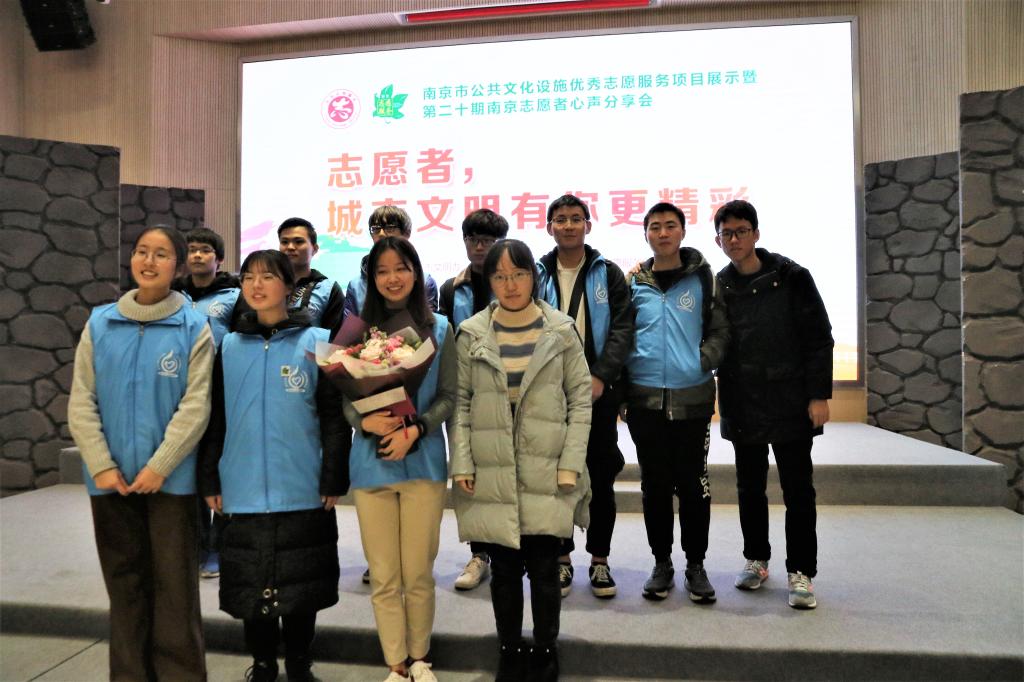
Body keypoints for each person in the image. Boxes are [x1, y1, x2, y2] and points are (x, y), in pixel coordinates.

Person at [68, 225, 213, 681]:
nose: (149, 261)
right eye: (142, 252)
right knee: (124, 587)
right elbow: (81, 399)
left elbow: (196, 405)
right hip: (109, 481)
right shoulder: (101, 323)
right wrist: (101, 465)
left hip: (171, 482)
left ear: (178, 265)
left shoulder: (193, 325)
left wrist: (160, 465)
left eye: (161, 254)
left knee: (175, 590)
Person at [198, 249, 350, 682]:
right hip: (240, 486)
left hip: (301, 484)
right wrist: (210, 476)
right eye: (248, 277)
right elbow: (215, 418)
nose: (256, 285)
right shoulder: (228, 346)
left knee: (302, 585)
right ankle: (262, 663)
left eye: (267, 276)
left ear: (289, 286)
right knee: (250, 583)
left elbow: (334, 418)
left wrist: (333, 475)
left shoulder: (317, 341)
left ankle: (300, 662)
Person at [451, 239, 592, 682]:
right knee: (506, 572)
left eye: (519, 274)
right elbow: (461, 402)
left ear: (534, 276)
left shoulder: (560, 330)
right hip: (493, 467)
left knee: (545, 570)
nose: (510, 285)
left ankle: (546, 647)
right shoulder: (472, 333)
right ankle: (509, 648)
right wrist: (462, 463)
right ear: (489, 281)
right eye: (500, 276)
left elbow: (580, 401)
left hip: (547, 466)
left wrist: (571, 463)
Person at [342, 237, 455, 682]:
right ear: (372, 278)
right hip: (371, 465)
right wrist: (363, 421)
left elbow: (449, 396)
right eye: (382, 270)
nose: (392, 278)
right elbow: (345, 400)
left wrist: (417, 429)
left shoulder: (441, 328)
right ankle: (395, 664)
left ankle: (420, 657)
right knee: (385, 576)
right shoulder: (356, 332)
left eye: (401, 268)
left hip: (423, 463)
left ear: (416, 273)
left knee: (419, 574)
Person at [713, 200, 833, 610]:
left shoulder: (792, 276)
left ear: (756, 234)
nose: (734, 239)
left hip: (790, 398)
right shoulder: (719, 284)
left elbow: (819, 338)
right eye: (727, 233)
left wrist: (818, 395)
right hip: (741, 399)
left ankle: (801, 571)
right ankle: (756, 558)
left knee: (798, 489)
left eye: (741, 231)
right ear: (718, 240)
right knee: (749, 487)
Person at [622, 202, 729, 604]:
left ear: (682, 232)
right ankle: (662, 563)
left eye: (670, 226)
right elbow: (622, 334)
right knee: (654, 485)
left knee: (693, 485)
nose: (663, 233)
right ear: (646, 234)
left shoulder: (703, 277)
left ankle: (695, 565)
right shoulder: (634, 281)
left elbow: (721, 330)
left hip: (692, 399)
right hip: (644, 400)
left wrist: (701, 361)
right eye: (655, 227)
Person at [536, 194, 633, 599]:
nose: (569, 225)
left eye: (576, 218)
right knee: (555, 477)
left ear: (588, 226)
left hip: (598, 392)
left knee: (601, 475)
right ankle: (561, 558)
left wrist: (600, 376)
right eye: (561, 219)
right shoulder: (537, 272)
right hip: (548, 394)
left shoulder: (607, 272)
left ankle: (600, 560)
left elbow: (623, 329)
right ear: (549, 227)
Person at [438, 207, 510, 592]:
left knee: (508, 473)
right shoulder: (451, 289)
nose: (479, 247)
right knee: (470, 476)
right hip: (468, 395)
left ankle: (510, 551)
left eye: (487, 240)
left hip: (512, 393)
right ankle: (480, 553)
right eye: (473, 239)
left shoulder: (517, 282)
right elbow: (446, 342)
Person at [173, 225, 241, 580]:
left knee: (221, 468)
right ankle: (198, 544)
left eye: (205, 250)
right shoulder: (173, 295)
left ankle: (218, 546)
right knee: (192, 470)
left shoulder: (236, 295)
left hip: (224, 391)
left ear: (220, 259)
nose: (197, 255)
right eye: (192, 250)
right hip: (183, 392)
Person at [344, 205, 439, 320]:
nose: (381, 234)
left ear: (407, 233)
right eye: (376, 229)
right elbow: (350, 327)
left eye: (390, 228)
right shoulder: (355, 285)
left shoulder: (425, 282)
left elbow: (429, 323)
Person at [275, 217, 345, 336]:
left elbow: (334, 339)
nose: (290, 247)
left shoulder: (328, 289)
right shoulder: (266, 284)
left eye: (298, 242)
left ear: (315, 249)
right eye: (284, 242)